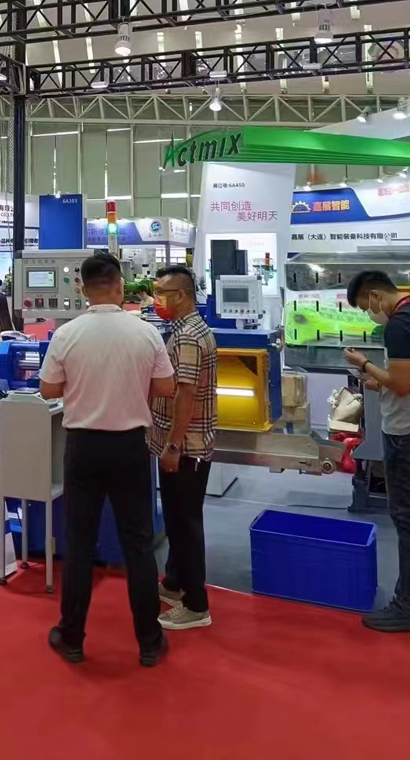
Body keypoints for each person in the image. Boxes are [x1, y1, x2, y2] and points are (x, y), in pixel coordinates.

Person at [39, 253, 175, 667]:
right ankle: (149, 641)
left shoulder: (67, 334)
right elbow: (166, 386)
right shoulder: (144, 332)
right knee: (138, 544)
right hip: (130, 447)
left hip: (83, 447)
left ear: (82, 288)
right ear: (119, 286)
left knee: (79, 543)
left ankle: (72, 637)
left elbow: (48, 390)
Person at [148, 265, 218, 631]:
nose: (157, 299)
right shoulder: (188, 329)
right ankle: (175, 582)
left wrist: (173, 445)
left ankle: (196, 604)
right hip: (185, 443)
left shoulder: (188, 336)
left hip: (186, 446)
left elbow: (185, 393)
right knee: (177, 519)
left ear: (182, 295)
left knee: (186, 523)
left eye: (163, 293)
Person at [344, 271, 410, 632]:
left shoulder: (399, 325)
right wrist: (381, 379)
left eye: (364, 307)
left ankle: (406, 607)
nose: (370, 314)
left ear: (374, 296)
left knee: (406, 519)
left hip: (405, 434)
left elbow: (402, 383)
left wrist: (364, 364)